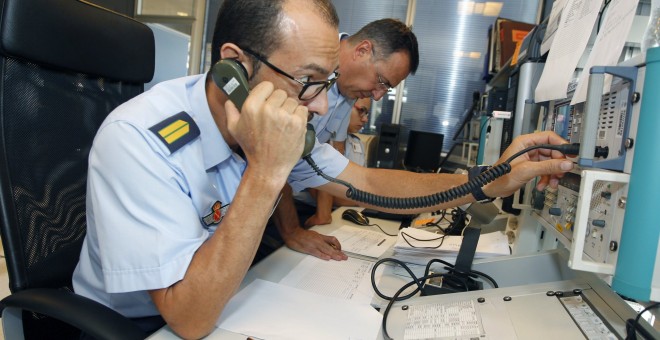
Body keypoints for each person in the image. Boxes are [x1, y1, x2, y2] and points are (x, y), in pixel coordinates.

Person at [72, 0, 574, 338]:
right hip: (134, 326)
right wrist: (267, 171)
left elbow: (375, 184)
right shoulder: (140, 139)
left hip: (229, 296)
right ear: (234, 69)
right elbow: (188, 317)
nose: (317, 107)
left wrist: (495, 178)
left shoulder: (270, 122)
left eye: (326, 82)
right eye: (307, 82)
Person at [268, 18, 419, 262]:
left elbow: (332, 156)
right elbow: (273, 159)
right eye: (382, 82)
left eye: (386, 89)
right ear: (362, 50)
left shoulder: (347, 89)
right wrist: (292, 231)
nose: (378, 97)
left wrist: (324, 216)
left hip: (278, 201)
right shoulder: (301, 62)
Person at [298, 98, 372, 227]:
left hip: (342, 209)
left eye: (367, 114)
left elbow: (361, 186)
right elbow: (318, 192)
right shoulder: (320, 139)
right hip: (307, 209)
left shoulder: (357, 143)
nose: (365, 119)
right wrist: (366, 201)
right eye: (361, 111)